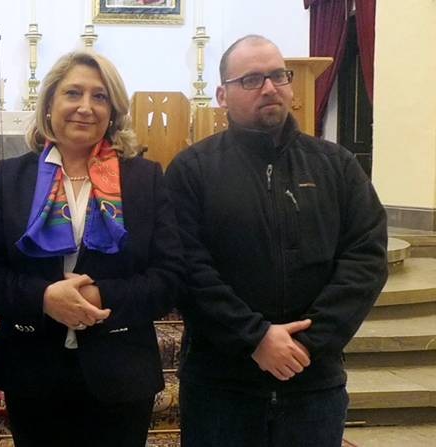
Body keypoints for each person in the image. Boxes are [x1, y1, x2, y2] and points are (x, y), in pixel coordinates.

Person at [165, 35, 388, 447]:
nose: (269, 87)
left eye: (277, 75)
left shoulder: (336, 165)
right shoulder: (192, 170)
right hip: (221, 383)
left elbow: (366, 258)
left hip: (313, 380)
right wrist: (255, 338)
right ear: (222, 95)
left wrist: (306, 343)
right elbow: (187, 269)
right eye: (251, 79)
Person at [0, 50, 184, 447]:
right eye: (73, 93)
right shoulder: (13, 177)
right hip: (32, 369)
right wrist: (44, 297)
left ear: (113, 109)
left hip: (120, 370)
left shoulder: (144, 179)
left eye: (99, 96)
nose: (85, 107)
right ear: (50, 103)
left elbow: (169, 276)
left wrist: (102, 295)